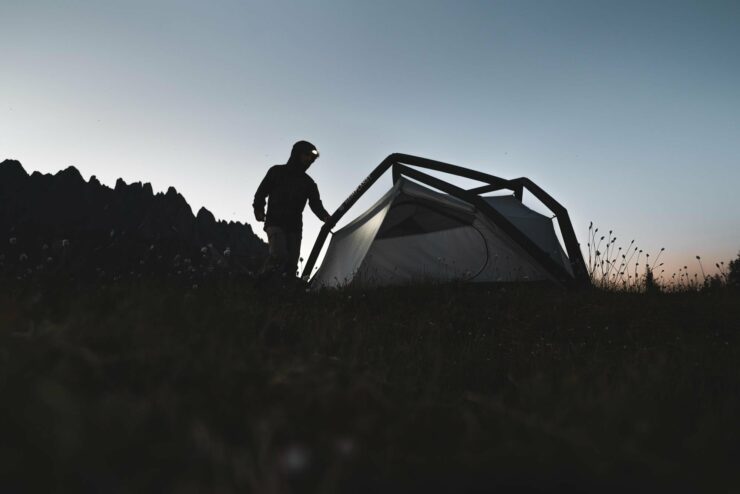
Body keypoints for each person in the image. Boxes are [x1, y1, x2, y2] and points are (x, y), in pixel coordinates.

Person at [253, 140, 331, 280]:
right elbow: (261, 192)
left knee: (291, 266)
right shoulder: (276, 171)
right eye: (307, 155)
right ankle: (261, 285)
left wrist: (325, 217)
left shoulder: (309, 183)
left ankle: (286, 295)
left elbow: (316, 205)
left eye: (312, 158)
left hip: (294, 228)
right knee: (279, 256)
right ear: (297, 154)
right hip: (275, 223)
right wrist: (258, 208)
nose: (309, 160)